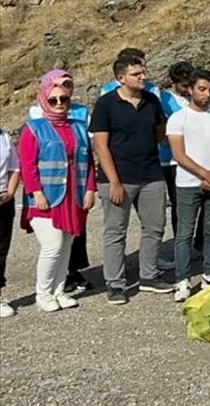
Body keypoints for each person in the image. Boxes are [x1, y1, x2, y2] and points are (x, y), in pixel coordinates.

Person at [91, 57, 171, 305]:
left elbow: (159, 133)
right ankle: (115, 283)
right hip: (118, 177)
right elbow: (100, 146)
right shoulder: (106, 104)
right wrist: (114, 181)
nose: (143, 77)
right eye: (136, 74)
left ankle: (148, 275)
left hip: (150, 174)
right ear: (121, 78)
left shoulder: (152, 101)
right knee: (116, 231)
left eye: (143, 72)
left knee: (155, 225)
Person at [19, 72, 96, 312]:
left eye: (64, 99)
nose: (60, 104)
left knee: (66, 246)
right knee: (52, 246)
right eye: (54, 100)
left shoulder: (79, 127)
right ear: (43, 99)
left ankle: (59, 290)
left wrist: (90, 189)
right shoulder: (33, 129)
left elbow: (89, 161)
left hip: (74, 195)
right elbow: (27, 165)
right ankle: (43, 294)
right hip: (47, 197)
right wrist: (36, 192)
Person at [166, 69, 210, 301]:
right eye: (202, 89)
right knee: (184, 233)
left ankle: (209, 273)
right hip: (188, 183)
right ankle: (182, 279)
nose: (207, 95)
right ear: (190, 89)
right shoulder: (178, 118)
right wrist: (205, 173)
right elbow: (179, 154)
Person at [158, 61, 193, 272]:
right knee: (179, 202)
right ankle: (182, 243)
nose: (188, 89)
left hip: (195, 155)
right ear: (174, 83)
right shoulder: (164, 99)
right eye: (184, 85)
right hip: (169, 158)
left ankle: (193, 240)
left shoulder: (196, 96)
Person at [0, 127, 18, 317]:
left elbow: (14, 167)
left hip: (3, 200)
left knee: (1, 249)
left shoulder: (4, 136)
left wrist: (11, 192)